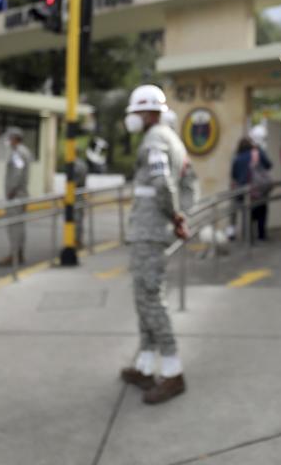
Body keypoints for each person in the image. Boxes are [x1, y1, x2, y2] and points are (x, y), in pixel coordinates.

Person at [118, 84, 190, 404]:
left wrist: (174, 215)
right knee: (143, 298)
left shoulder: (155, 140)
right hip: (148, 230)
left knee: (151, 298)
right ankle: (145, 365)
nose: (132, 119)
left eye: (135, 113)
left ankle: (173, 373)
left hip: (149, 230)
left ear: (147, 112)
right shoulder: (168, 137)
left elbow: (162, 182)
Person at [0, 127, 32, 268]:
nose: (9, 141)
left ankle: (14, 255)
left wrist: (11, 190)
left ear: (15, 138)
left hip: (16, 195)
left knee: (14, 226)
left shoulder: (18, 153)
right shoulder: (24, 152)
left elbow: (17, 173)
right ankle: (19, 253)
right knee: (19, 225)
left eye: (10, 138)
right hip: (21, 194)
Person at [230, 134, 273, 241]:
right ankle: (261, 235)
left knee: (247, 214)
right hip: (258, 188)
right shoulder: (256, 152)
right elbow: (268, 165)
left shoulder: (237, 158)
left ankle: (248, 238)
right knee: (261, 212)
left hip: (243, 191)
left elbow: (233, 175)